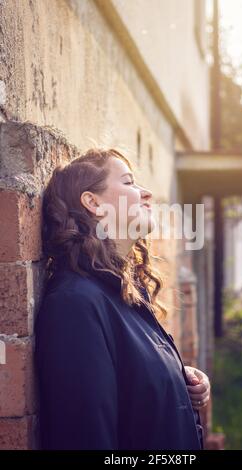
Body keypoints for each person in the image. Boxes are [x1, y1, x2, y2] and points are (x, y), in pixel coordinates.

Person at [34, 148, 210, 450]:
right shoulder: (75, 305)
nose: (146, 193)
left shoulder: (122, 289)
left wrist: (177, 381)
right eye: (129, 183)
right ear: (93, 202)